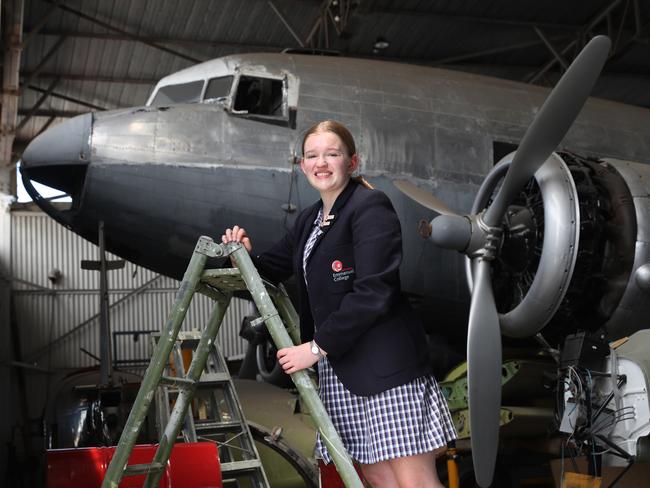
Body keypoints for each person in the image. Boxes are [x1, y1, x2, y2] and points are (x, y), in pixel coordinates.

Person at [222, 120, 456, 487]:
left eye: (332, 154)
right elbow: (270, 269)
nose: (322, 163)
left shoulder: (370, 207)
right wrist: (243, 257)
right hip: (342, 375)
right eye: (313, 155)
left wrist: (314, 349)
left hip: (385, 371)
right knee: (377, 477)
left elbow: (374, 292)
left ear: (352, 161)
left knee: (414, 481)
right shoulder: (309, 221)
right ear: (302, 165)